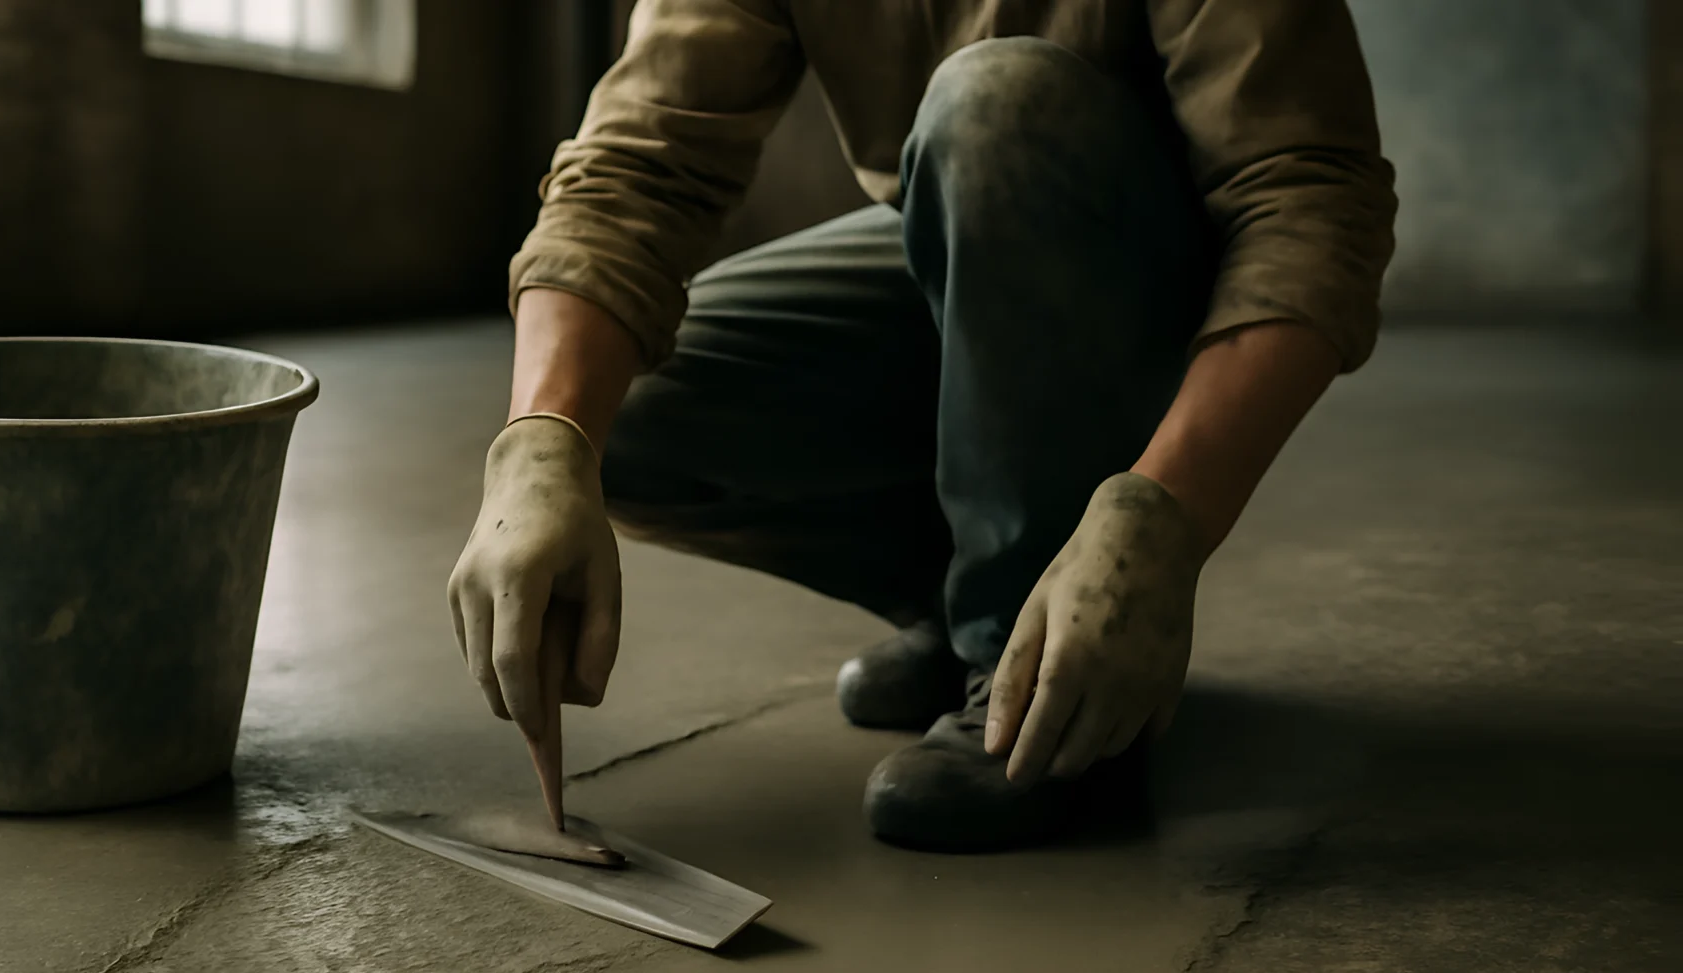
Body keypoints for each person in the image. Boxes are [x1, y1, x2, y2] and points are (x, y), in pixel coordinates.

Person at [447, 0, 1397, 852]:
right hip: (957, 246)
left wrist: (1168, 514)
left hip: (1163, 309)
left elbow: (1309, 203)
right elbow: (635, 167)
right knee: (617, 410)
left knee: (998, 100)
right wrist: (543, 442)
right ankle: (988, 605)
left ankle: (1045, 695)